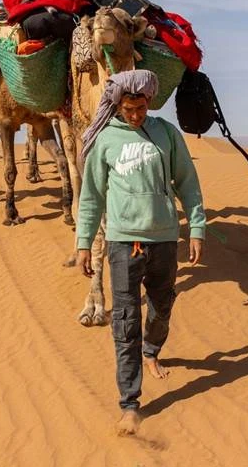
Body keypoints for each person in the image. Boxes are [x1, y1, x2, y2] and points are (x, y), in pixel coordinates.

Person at [75, 69, 206, 436]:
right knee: (125, 321)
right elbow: (91, 197)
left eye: (141, 107)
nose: (136, 115)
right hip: (122, 242)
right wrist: (84, 244)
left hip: (164, 238)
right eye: (129, 108)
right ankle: (129, 403)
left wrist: (196, 228)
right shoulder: (105, 140)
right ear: (118, 105)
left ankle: (151, 349)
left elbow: (187, 183)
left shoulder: (166, 133)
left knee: (162, 307)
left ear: (149, 102)